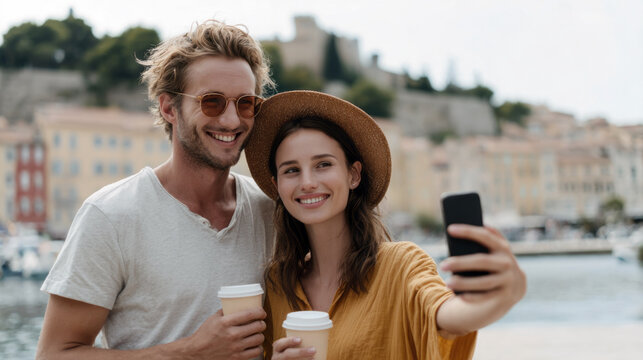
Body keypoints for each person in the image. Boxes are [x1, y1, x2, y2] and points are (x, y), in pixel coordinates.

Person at [37, 20, 275, 359]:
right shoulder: (110, 216)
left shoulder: (269, 211)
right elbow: (54, 354)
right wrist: (191, 352)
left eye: (246, 103)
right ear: (168, 108)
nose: (232, 120)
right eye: (212, 102)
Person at [244, 90, 527, 359]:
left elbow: (449, 316)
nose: (307, 182)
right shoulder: (277, 285)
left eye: (323, 164)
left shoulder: (402, 265)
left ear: (354, 175)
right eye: (291, 170)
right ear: (277, 185)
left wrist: (501, 297)